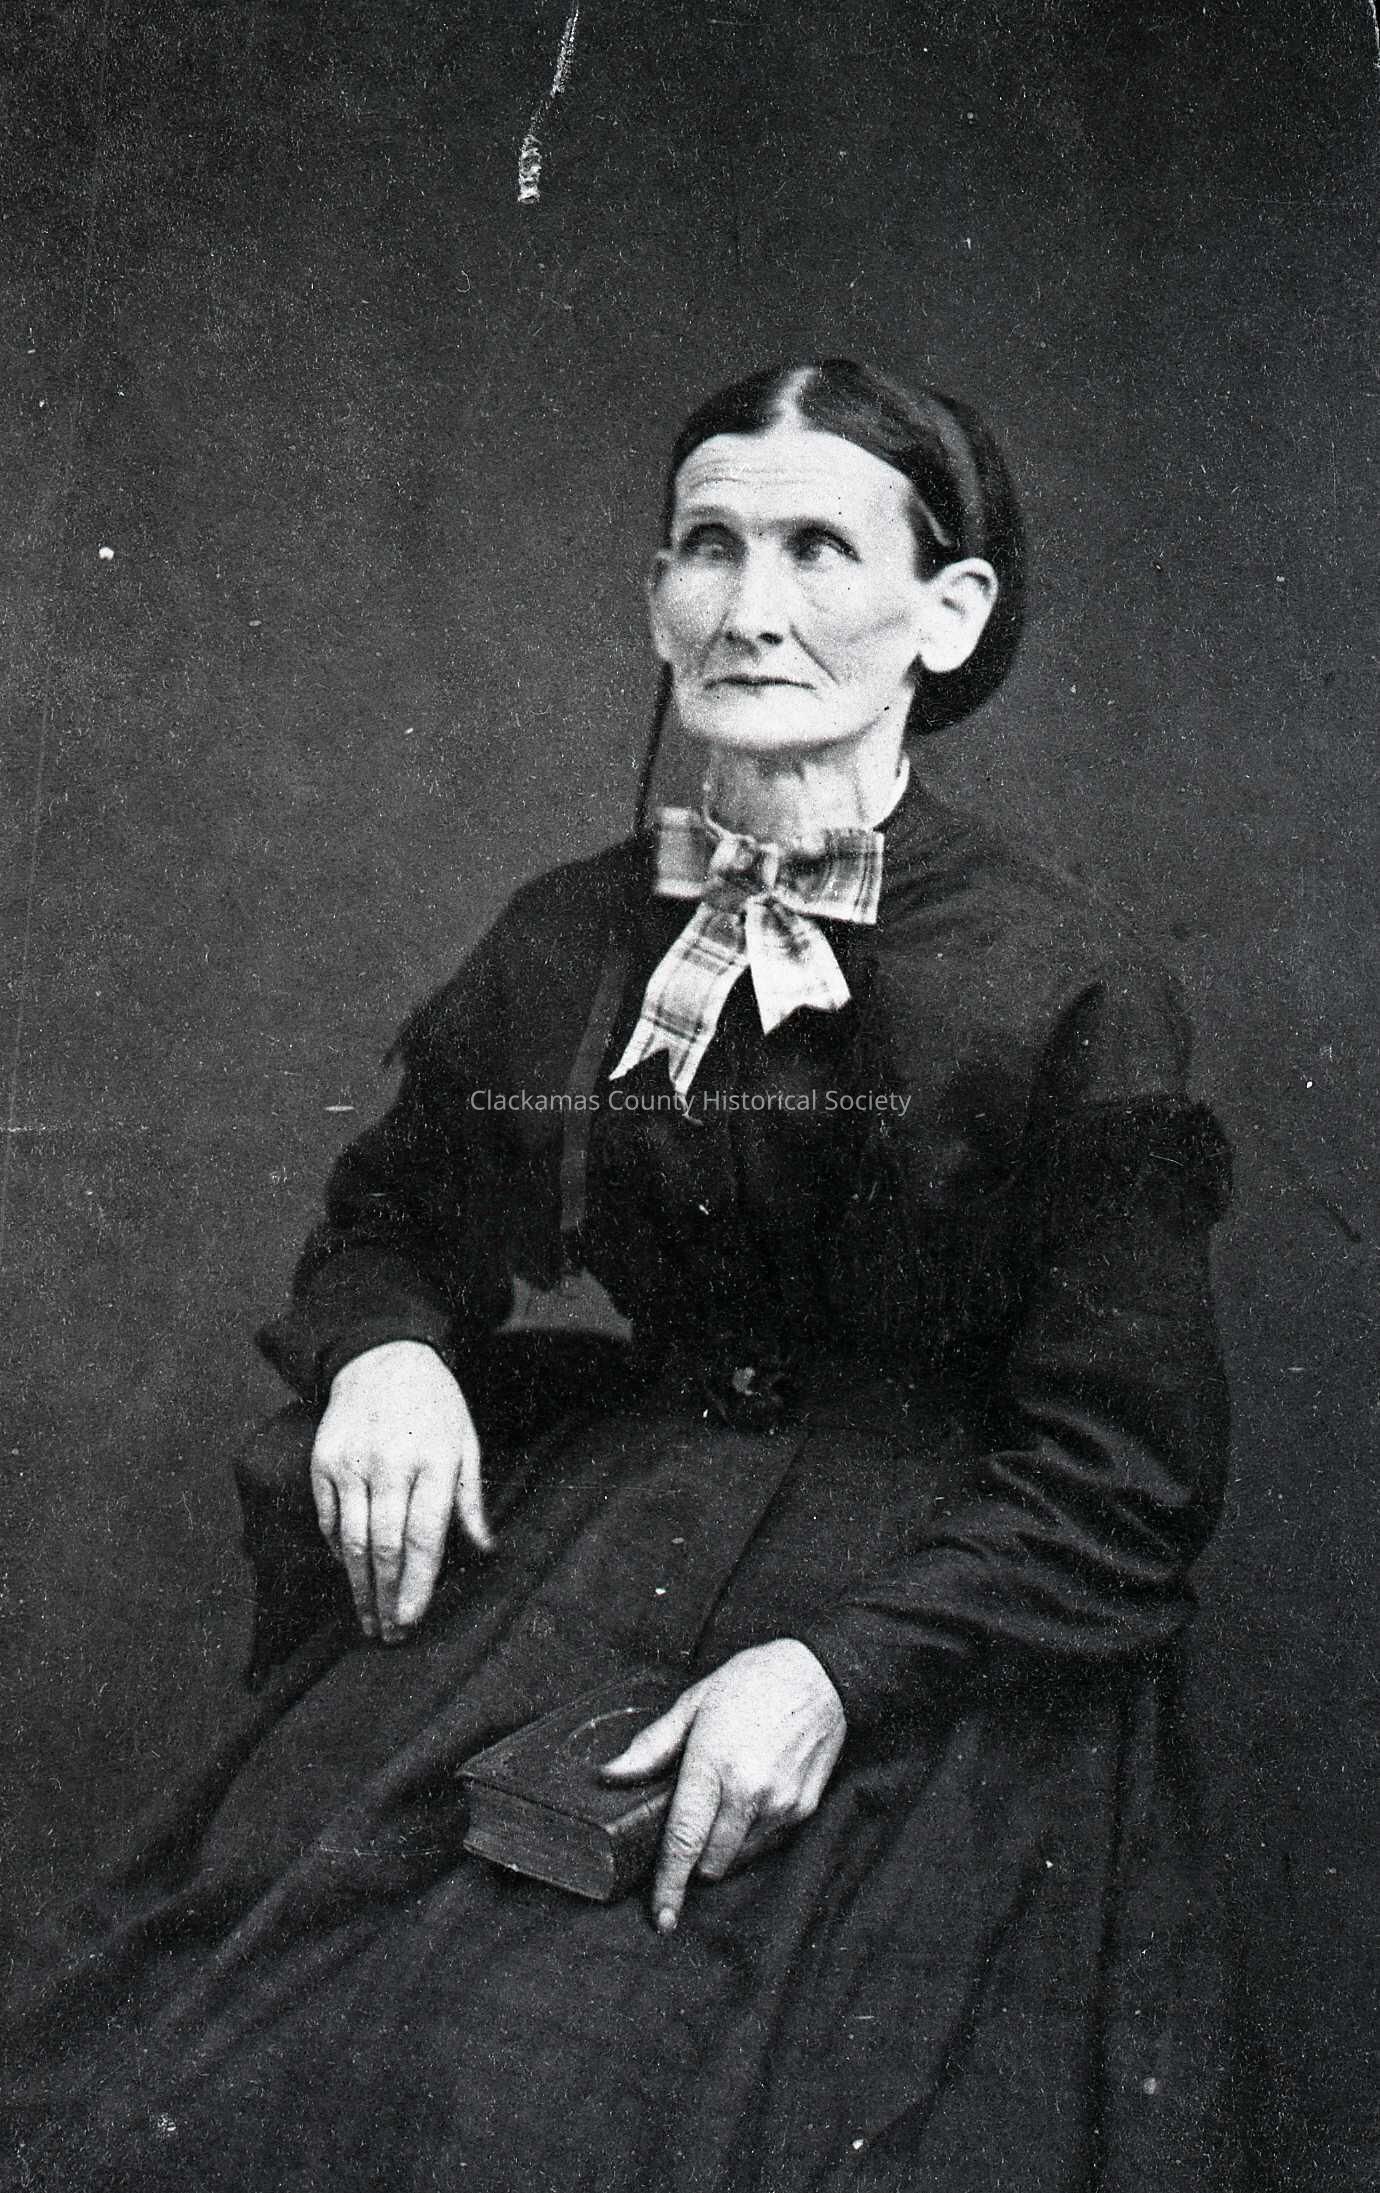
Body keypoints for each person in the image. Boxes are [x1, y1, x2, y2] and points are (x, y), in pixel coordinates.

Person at [4, 359, 1237, 2192]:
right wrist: (389, 1354)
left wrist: (833, 1673)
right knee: (275, 2049)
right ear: (657, 595)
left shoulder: (1068, 978)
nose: (750, 607)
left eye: (820, 549)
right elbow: (394, 1217)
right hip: (605, 1553)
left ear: (949, 612)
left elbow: (1127, 1481)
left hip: (930, 1638)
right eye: (709, 547)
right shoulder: (576, 929)